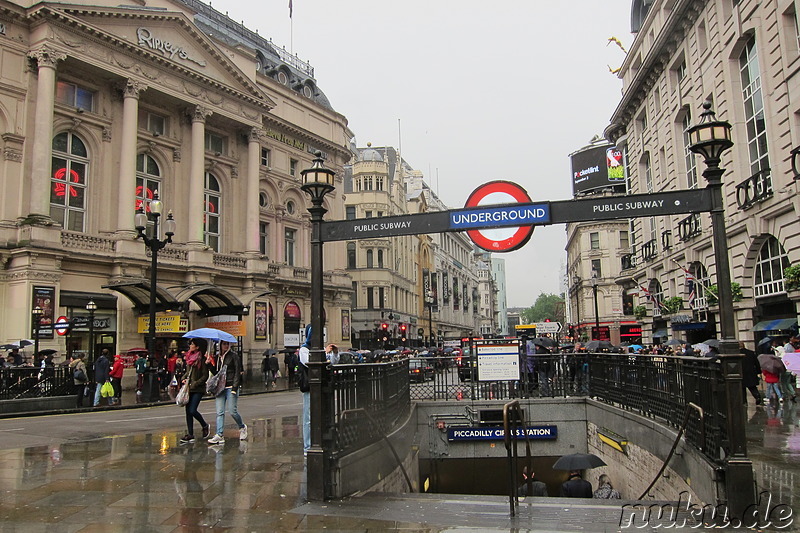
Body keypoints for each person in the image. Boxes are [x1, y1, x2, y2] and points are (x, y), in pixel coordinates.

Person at [207, 340, 247, 444]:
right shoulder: (218, 357)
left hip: (230, 386)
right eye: (223, 344)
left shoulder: (233, 356)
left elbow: (237, 372)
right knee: (219, 412)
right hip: (220, 387)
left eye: (227, 344)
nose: (225, 346)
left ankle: (242, 427)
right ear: (220, 345)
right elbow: (216, 373)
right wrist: (209, 364)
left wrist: (234, 388)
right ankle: (219, 435)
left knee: (232, 411)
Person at [179, 338, 211, 444]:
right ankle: (190, 434)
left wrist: (196, 383)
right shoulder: (189, 358)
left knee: (193, 410)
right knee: (188, 412)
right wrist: (183, 378)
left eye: (192, 344)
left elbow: (205, 375)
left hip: (198, 389)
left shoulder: (201, 360)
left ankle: (204, 425)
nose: (190, 346)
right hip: (189, 388)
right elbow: (187, 372)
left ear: (197, 347)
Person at [299, 325, 312, 455]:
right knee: (308, 417)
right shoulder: (304, 349)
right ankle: (307, 446)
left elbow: (331, 362)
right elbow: (309, 363)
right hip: (309, 386)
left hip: (319, 386)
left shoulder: (317, 349)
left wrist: (334, 353)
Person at [780, 336, 798, 403]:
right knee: (788, 382)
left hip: (785, 370)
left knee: (783, 383)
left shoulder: (784, 354)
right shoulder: (791, 348)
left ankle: (785, 395)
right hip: (790, 369)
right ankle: (793, 393)